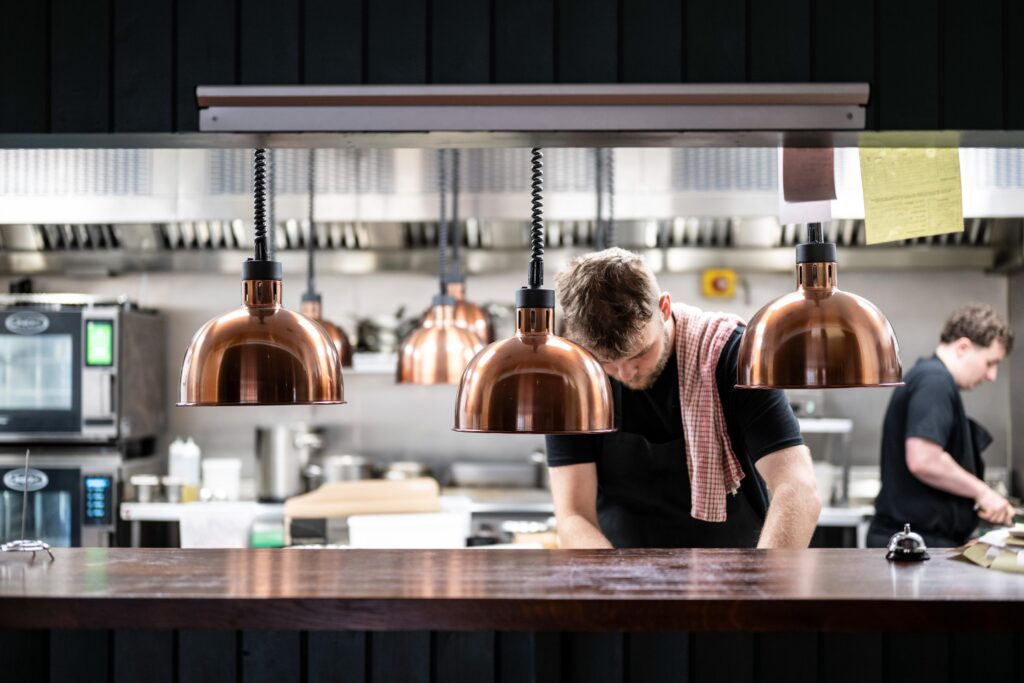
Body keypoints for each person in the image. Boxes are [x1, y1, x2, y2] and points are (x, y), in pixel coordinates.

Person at [545, 248, 821, 549]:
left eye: (640, 353)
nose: (625, 372)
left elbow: (797, 486)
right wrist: (614, 577)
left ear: (664, 307)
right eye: (606, 361)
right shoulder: (575, 379)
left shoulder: (733, 358)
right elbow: (573, 516)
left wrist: (769, 575)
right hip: (616, 568)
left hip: (738, 570)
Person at [868, 304, 1016, 548]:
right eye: (990, 363)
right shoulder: (935, 381)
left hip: (919, 541)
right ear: (962, 347)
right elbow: (924, 459)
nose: (992, 376)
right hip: (915, 544)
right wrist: (983, 492)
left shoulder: (930, 377)